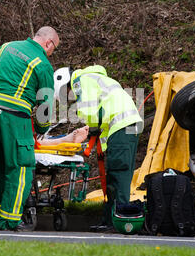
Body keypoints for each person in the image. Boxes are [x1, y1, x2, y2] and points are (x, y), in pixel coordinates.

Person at [0, 26, 59, 231]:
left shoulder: (7, 47)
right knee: (21, 169)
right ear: (48, 43)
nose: (50, 53)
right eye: (53, 49)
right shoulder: (42, 64)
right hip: (15, 119)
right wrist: (42, 127)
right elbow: (45, 101)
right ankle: (8, 221)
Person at [54, 65, 143, 232]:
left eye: (65, 94)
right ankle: (110, 220)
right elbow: (102, 116)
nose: (69, 98)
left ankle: (118, 221)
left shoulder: (82, 82)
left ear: (67, 84)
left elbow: (89, 112)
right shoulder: (94, 80)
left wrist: (87, 131)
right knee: (116, 173)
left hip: (123, 125)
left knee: (119, 175)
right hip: (126, 126)